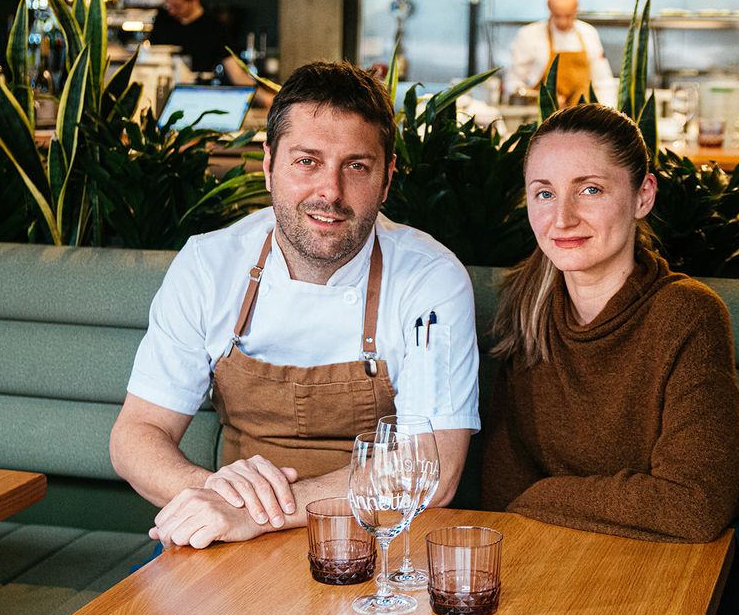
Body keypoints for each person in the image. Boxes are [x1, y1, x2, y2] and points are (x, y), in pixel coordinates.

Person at [482, 103, 739, 615]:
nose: (562, 218)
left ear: (643, 195)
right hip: (608, 556)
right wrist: (542, 500)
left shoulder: (687, 313)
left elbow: (692, 507)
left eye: (590, 189)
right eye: (544, 193)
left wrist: (546, 493)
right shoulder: (525, 312)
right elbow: (504, 496)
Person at [110, 60, 479, 549]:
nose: (330, 191)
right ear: (268, 165)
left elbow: (434, 466)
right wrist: (213, 500)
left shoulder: (430, 278)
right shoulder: (209, 264)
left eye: (357, 166)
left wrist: (261, 515)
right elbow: (137, 434)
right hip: (229, 541)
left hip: (383, 546)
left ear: (387, 179)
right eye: (307, 161)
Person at [149, 0, 274, 105]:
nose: (171, 12)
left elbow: (236, 74)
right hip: (162, 94)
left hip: (200, 97)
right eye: (168, 6)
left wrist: (266, 99)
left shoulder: (214, 27)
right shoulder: (162, 19)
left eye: (177, 6)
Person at [505, 0, 614, 109]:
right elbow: (513, 83)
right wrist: (542, 97)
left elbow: (603, 82)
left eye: (568, 16)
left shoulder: (589, 34)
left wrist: (608, 114)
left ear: (576, 8)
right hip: (541, 118)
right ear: (549, 7)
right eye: (557, 16)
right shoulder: (529, 35)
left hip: (583, 118)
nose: (563, 22)